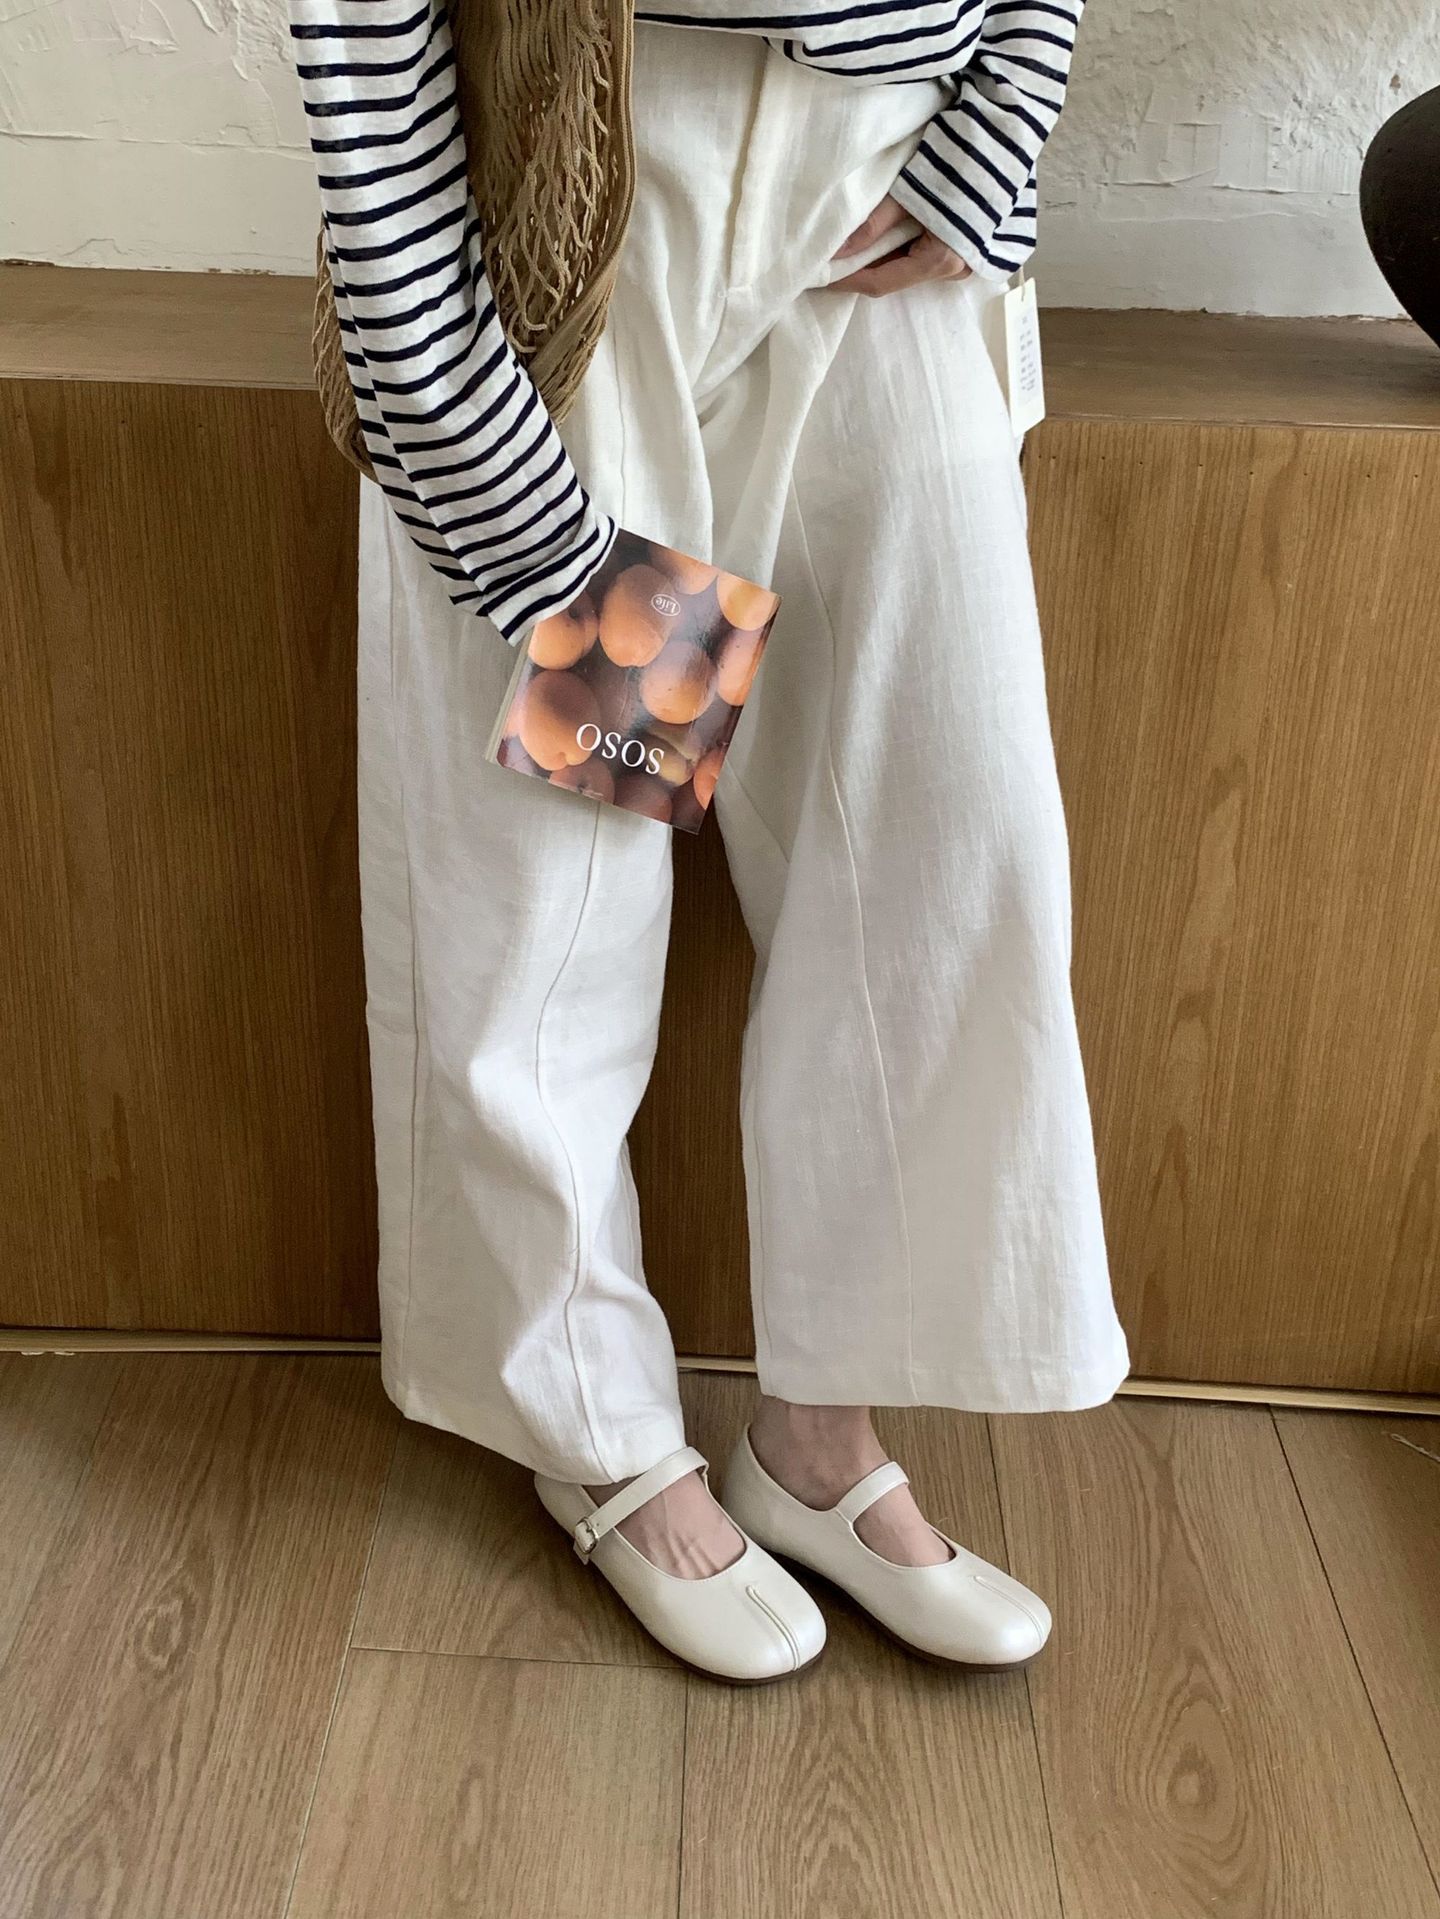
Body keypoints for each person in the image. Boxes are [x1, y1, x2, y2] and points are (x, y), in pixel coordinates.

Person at [289, 0, 1130, 1684]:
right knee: (560, 889)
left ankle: (819, 1429)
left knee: (943, 829)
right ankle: (592, 1424)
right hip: (592, 171)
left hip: (885, 180)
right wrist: (452, 394)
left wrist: (1012, 96)